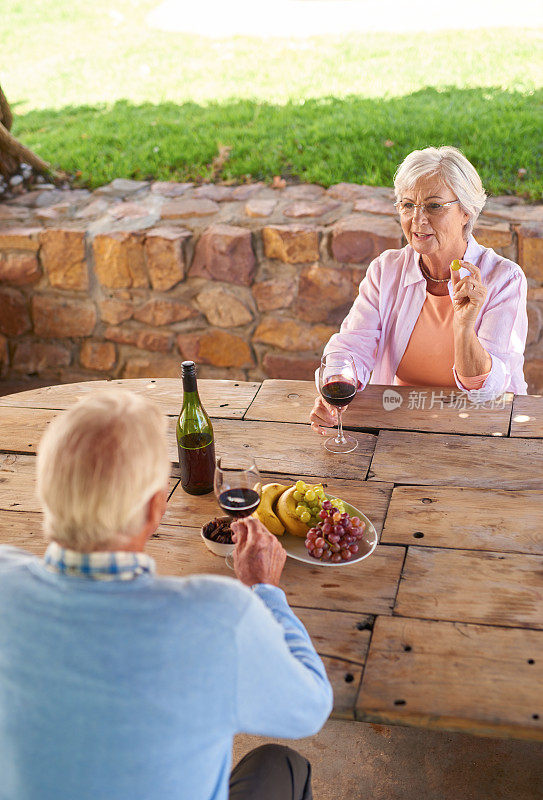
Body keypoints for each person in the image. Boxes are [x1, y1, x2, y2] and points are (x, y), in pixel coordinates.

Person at [0, 390, 332, 800]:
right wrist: (265, 590)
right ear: (156, 507)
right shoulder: (218, 614)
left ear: (45, 494)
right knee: (282, 763)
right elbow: (312, 706)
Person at [310, 146, 528, 433]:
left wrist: (463, 328)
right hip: (399, 420)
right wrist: (337, 386)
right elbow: (352, 345)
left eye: (434, 206)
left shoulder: (503, 278)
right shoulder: (386, 269)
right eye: (408, 205)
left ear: (466, 211)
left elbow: (485, 391)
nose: (418, 219)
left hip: (484, 424)